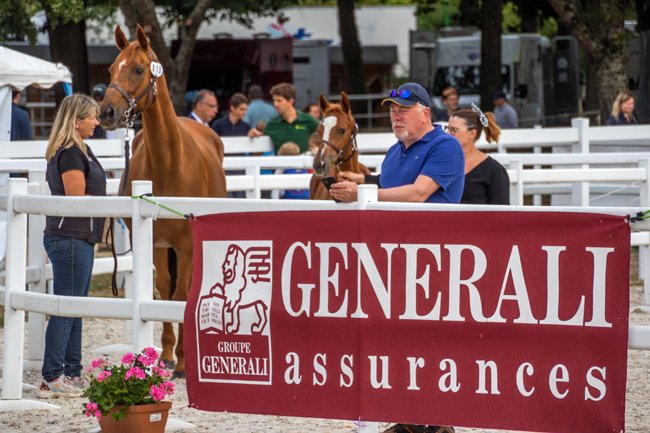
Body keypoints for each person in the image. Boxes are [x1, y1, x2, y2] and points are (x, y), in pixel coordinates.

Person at [39, 94, 106, 398]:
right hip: (70, 236)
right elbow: (76, 198)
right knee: (66, 307)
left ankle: (72, 371)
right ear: (76, 121)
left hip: (79, 236)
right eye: (92, 117)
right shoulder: (71, 154)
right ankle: (53, 375)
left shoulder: (80, 150)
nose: (97, 122)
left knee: (74, 307)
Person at [331, 82, 464, 205]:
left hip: (431, 223)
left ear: (425, 114)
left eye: (403, 110)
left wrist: (359, 194)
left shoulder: (446, 145)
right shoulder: (394, 150)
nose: (396, 117)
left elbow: (418, 194)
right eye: (393, 110)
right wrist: (357, 182)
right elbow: (387, 185)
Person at [448, 105, 510, 204]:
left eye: (454, 130)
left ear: (472, 133)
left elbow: (501, 210)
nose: (448, 134)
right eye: (447, 129)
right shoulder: (440, 161)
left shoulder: (494, 170)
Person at [264, 82, 320, 154]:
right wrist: (255, 133)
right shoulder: (272, 124)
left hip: (304, 161)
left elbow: (325, 134)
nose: (275, 104)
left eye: (279, 100)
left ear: (291, 101)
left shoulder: (308, 120)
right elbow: (260, 138)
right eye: (274, 100)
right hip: (280, 161)